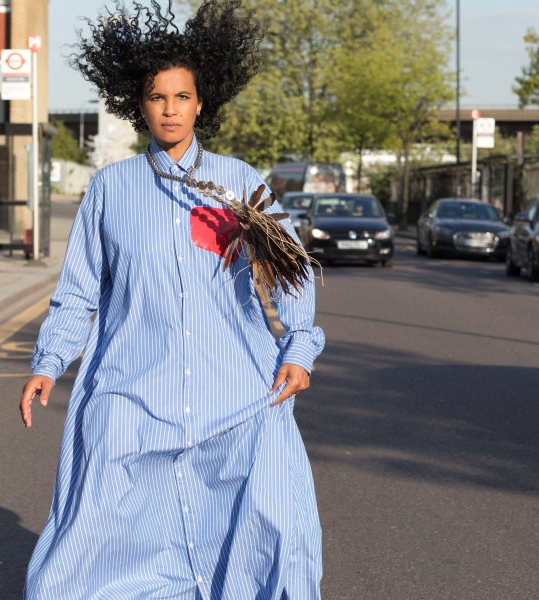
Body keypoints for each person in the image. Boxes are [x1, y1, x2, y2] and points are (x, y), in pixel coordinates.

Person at [18, 1, 325, 598]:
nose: (170, 109)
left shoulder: (241, 183)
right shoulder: (111, 188)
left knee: (257, 525)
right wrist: (48, 363)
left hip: (235, 390)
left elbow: (293, 274)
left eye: (182, 97)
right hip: (133, 390)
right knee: (94, 530)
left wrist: (300, 347)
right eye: (157, 97)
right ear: (140, 105)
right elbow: (80, 288)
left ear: (201, 103)